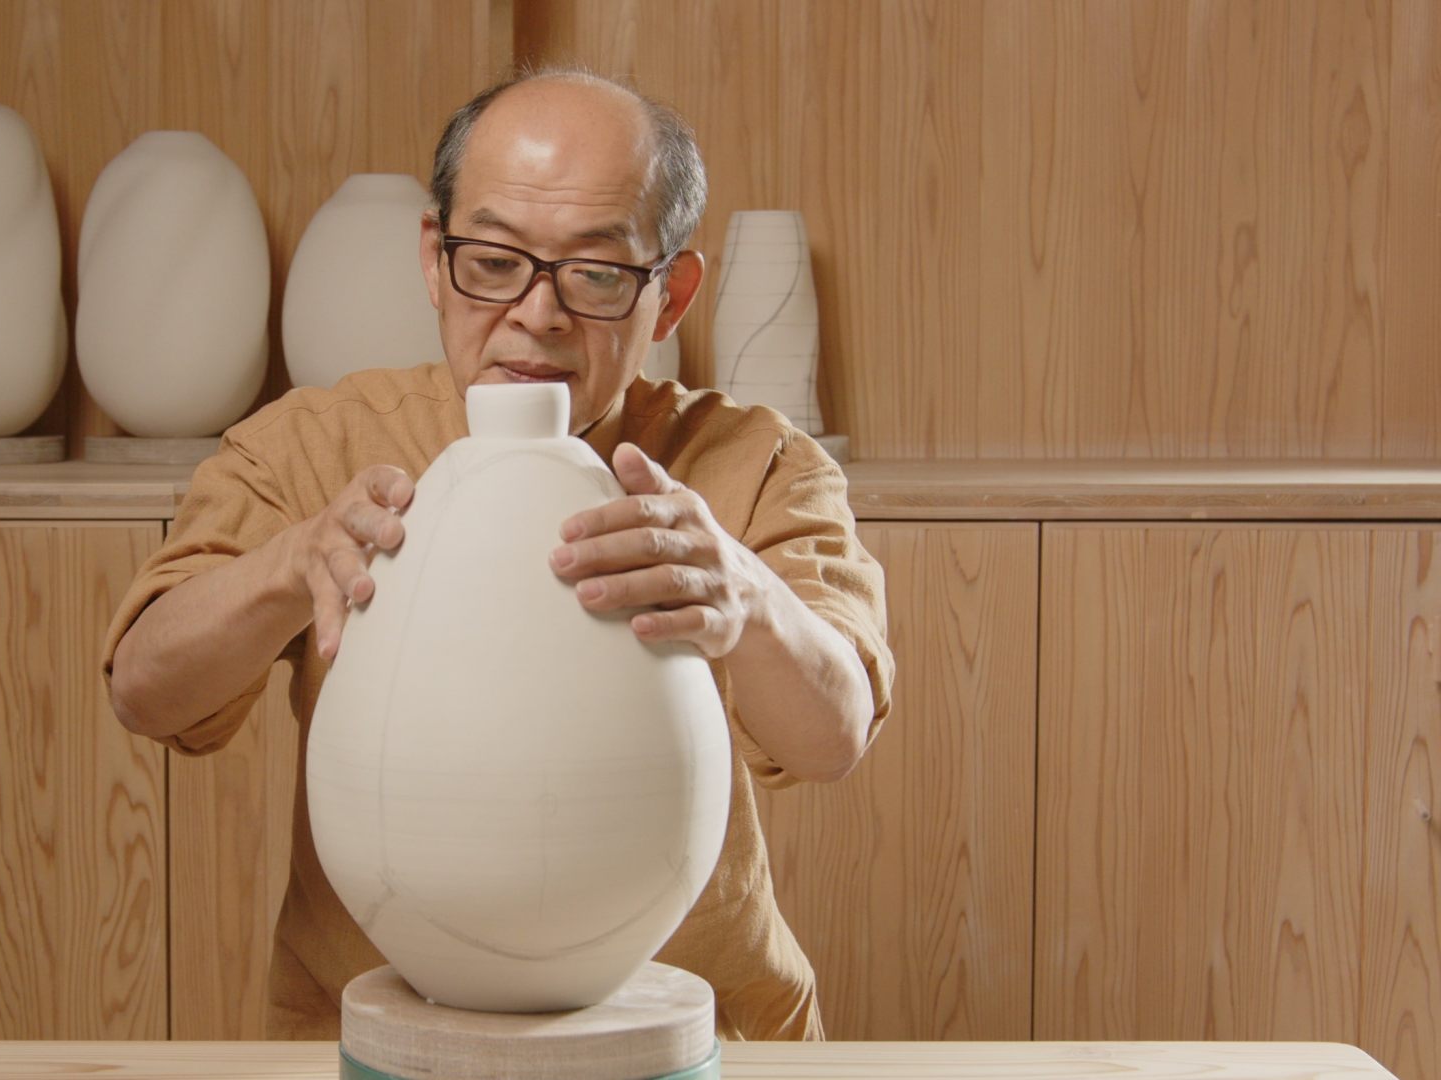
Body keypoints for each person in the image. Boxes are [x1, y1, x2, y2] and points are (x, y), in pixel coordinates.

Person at [102, 65, 894, 1041]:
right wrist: (289, 565)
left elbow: (833, 733)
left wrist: (744, 599)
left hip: (699, 1035)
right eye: (494, 261)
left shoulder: (754, 462)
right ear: (436, 259)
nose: (536, 314)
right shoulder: (317, 446)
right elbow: (145, 687)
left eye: (596, 274)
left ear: (672, 296)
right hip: (378, 1039)